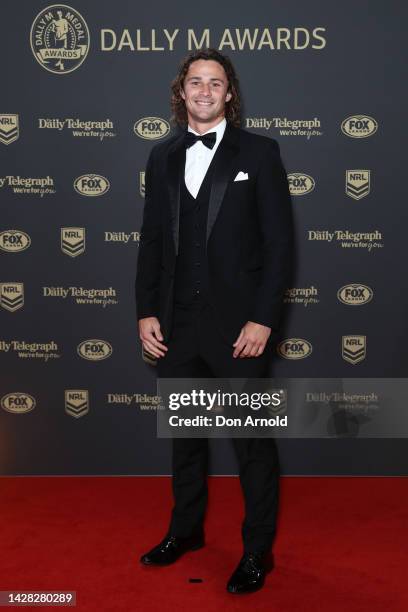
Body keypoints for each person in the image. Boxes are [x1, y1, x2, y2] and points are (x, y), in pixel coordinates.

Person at [135, 48, 293, 594]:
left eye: (216, 82)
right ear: (181, 92)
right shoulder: (161, 157)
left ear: (230, 94)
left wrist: (262, 320)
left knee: (252, 443)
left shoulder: (261, 151)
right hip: (178, 324)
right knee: (186, 438)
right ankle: (186, 532)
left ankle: (256, 553)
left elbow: (278, 246)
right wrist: (146, 310)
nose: (205, 91)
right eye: (195, 82)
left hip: (239, 330)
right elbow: (152, 242)